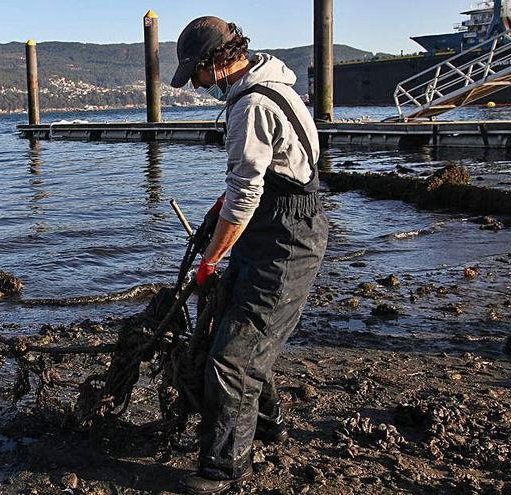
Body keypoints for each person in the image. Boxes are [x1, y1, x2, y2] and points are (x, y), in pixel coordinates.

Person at [170, 16, 329, 494]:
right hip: (276, 225)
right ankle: (269, 425)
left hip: (285, 241)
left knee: (233, 358)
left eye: (195, 76)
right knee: (240, 333)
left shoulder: (251, 105)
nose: (197, 87)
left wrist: (210, 260)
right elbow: (254, 180)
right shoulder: (273, 83)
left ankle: (223, 470)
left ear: (213, 63)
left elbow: (245, 195)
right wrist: (215, 220)